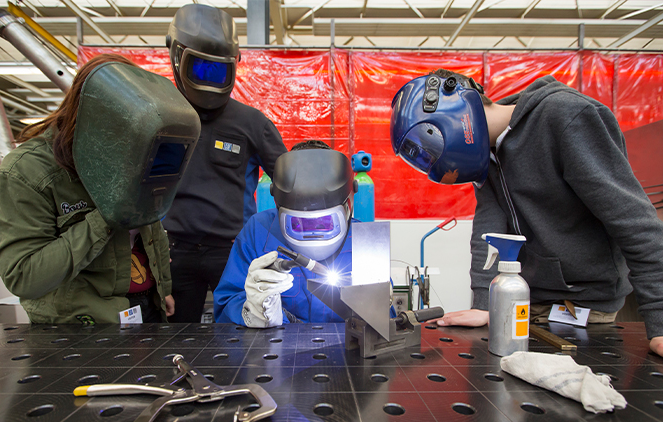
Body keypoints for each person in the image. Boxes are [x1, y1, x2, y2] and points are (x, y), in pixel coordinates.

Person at [390, 69, 663, 356]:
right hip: (525, 305)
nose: (429, 159)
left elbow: (633, 221)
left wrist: (660, 322)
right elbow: (489, 232)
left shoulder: (565, 116)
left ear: (452, 109)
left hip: (585, 310)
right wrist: (484, 305)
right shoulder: (489, 156)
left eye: (428, 144)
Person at [0, 53, 199, 324]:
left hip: (144, 310)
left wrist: (163, 289)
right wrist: (108, 213)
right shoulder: (26, 172)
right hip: (81, 326)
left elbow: (152, 227)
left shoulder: (129, 149)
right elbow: (23, 275)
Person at [163, 4, 288, 323]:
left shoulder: (250, 123)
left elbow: (290, 181)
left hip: (231, 251)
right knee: (176, 337)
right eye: (200, 69)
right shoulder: (159, 116)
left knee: (242, 331)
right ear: (178, 57)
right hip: (173, 250)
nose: (209, 81)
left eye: (216, 70)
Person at [213, 141, 358, 327]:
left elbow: (384, 323)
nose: (313, 230)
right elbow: (226, 304)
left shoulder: (364, 241)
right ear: (279, 205)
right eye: (298, 223)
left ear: (348, 205)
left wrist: (378, 306)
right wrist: (251, 312)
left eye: (325, 222)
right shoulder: (258, 231)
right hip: (276, 350)